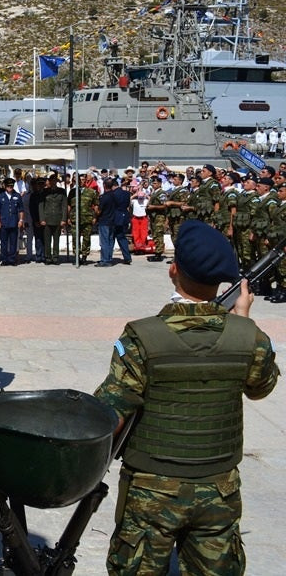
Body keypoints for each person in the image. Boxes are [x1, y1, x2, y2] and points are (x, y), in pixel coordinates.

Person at [93, 220, 278, 574]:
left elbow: (110, 414)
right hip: (219, 490)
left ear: (173, 270)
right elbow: (260, 388)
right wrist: (244, 321)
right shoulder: (249, 336)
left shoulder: (142, 337)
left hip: (150, 489)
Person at [96, 177, 132, 267]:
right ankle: (127, 257)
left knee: (108, 240)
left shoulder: (112, 195)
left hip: (112, 218)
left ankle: (107, 258)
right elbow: (127, 206)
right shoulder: (126, 194)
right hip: (123, 218)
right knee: (121, 238)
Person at [0, 177, 24, 265]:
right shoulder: (0, 196)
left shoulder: (17, 196)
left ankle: (12, 259)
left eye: (11, 186)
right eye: (8, 186)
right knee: (4, 242)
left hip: (14, 222)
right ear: (5, 186)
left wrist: (21, 220)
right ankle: (4, 259)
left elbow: (21, 209)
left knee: (13, 242)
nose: (10, 187)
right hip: (4, 222)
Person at [39, 174, 68, 265]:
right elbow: (41, 206)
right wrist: (42, 219)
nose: (53, 182)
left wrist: (64, 219)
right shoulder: (44, 191)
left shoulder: (62, 192)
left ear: (57, 181)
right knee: (47, 240)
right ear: (49, 181)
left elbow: (64, 206)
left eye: (55, 180)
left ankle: (55, 257)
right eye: (51, 180)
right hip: (47, 219)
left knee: (56, 239)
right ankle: (47, 257)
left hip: (57, 218)